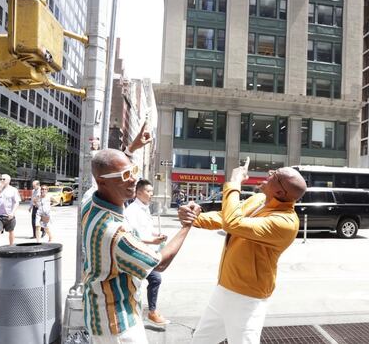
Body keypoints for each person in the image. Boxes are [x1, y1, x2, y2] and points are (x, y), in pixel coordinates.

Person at [82, 123, 197, 344]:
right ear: (103, 182)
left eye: (133, 171)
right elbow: (159, 264)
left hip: (99, 314)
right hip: (118, 325)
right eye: (125, 175)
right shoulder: (115, 231)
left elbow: (108, 170)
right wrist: (186, 225)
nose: (134, 180)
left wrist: (131, 149)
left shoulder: (90, 200)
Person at [181, 161, 307, 344]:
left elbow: (232, 223)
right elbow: (225, 216)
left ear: (280, 193)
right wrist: (195, 218)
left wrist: (234, 183)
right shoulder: (258, 199)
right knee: (200, 340)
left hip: (248, 299)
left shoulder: (285, 222)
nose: (269, 173)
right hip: (224, 287)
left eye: (275, 175)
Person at [123, 179, 170, 328]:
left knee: (148, 281)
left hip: (148, 252)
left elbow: (147, 230)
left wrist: (157, 235)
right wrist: (153, 241)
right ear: (138, 192)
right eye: (148, 191)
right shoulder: (132, 211)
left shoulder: (145, 208)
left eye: (151, 191)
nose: (151, 194)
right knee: (153, 279)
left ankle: (146, 312)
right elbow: (131, 236)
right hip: (137, 254)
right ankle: (148, 312)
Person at [0, 174, 21, 247]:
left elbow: (17, 202)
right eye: (1, 179)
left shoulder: (13, 190)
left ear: (8, 180)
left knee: (11, 231)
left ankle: (11, 246)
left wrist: (12, 213)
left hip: (9, 216)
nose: (2, 180)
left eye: (3, 179)